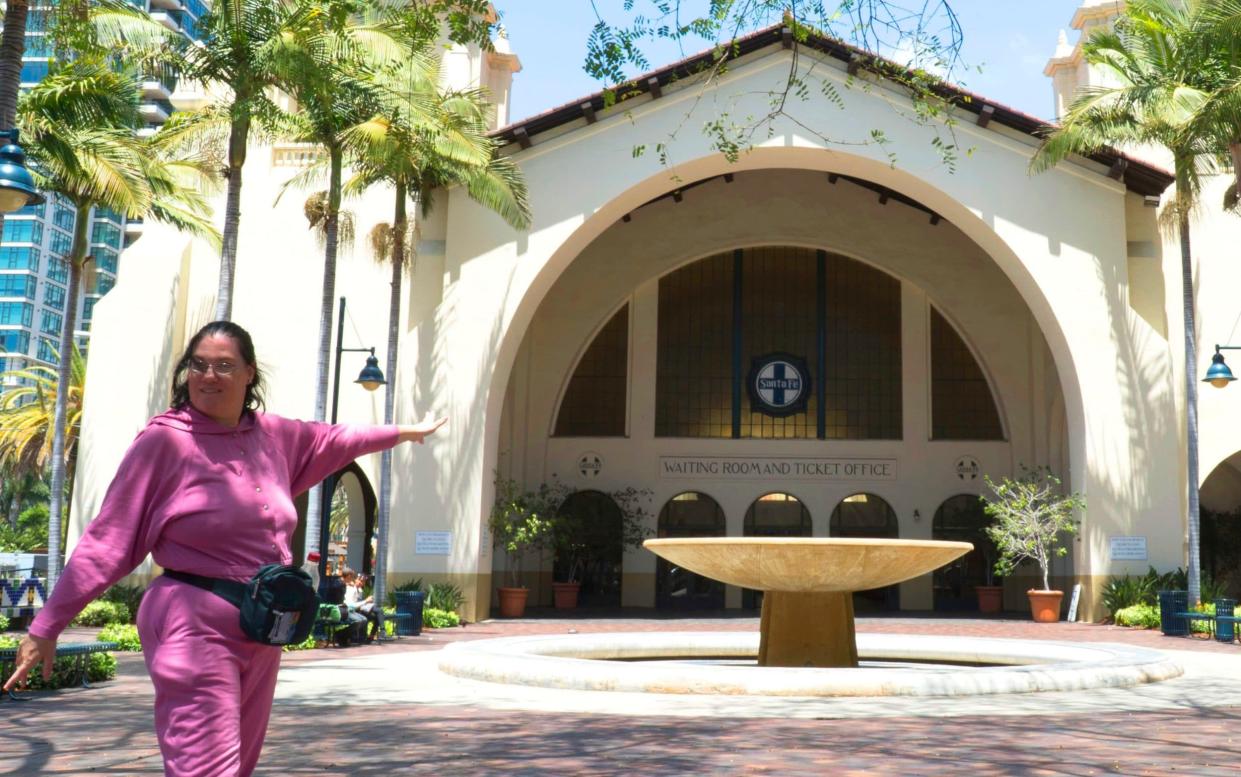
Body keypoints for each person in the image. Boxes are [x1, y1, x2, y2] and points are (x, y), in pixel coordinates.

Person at [2, 321, 446, 777]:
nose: (208, 376)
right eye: (198, 365)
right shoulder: (165, 442)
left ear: (249, 374)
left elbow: (337, 439)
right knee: (208, 769)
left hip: (262, 627)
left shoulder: (273, 435)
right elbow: (108, 539)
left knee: (237, 768)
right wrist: (47, 625)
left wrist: (404, 432)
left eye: (224, 366)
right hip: (192, 623)